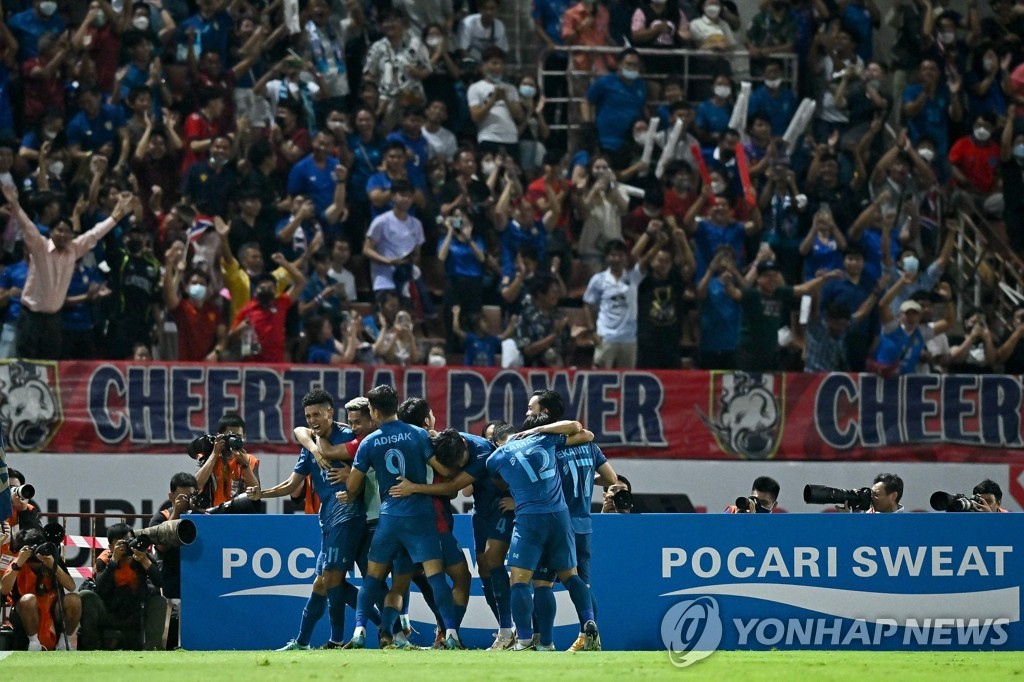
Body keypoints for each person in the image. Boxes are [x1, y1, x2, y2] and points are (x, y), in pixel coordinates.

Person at [338, 384, 462, 650]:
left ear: (372, 410)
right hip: (420, 517)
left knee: (372, 579)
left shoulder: (369, 442)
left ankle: (359, 630)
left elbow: (353, 487)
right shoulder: (419, 435)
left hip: (390, 518)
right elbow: (443, 469)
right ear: (396, 405)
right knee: (436, 578)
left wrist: (348, 492)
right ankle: (451, 633)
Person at [247, 389, 367, 650]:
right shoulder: (310, 443)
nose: (313, 420)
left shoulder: (349, 437)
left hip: (348, 514)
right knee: (322, 582)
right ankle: (303, 642)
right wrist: (262, 493)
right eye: (308, 415)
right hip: (328, 518)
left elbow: (370, 468)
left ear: (330, 413)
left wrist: (353, 475)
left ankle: (337, 640)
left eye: (317, 414)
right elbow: (293, 485)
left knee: (331, 580)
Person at [485, 414, 600, 651]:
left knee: (519, 581)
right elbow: (579, 429)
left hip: (529, 519)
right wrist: (541, 431)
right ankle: (588, 621)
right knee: (570, 576)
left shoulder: (496, 456)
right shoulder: (543, 439)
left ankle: (526, 640)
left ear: (497, 442)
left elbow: (498, 479)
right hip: (560, 517)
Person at [3, 185, 133, 360]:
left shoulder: (74, 249)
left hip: (54, 319)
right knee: (26, 364)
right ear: (51, 232)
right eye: (59, 230)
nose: (63, 235)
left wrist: (116, 217)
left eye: (67, 232)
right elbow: (27, 226)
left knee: (50, 365)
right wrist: (15, 204)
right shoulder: (40, 246)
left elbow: (96, 233)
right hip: (31, 317)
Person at [532, 425, 618, 651]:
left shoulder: (552, 449)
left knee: (542, 584)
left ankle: (544, 642)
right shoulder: (590, 446)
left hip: (558, 523)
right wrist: (588, 478)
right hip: (584, 525)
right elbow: (612, 478)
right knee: (582, 584)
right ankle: (587, 633)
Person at [78, 524, 166, 651]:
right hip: (109, 612)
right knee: (86, 595)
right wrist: (114, 561)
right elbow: (100, 590)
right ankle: (92, 648)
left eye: (128, 542)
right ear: (111, 547)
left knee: (159, 602)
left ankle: (152, 648)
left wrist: (145, 561)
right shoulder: (105, 561)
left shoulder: (141, 558)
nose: (126, 547)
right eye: (121, 544)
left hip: (135, 611)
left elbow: (160, 582)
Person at [1, 526, 81, 651]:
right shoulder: (18, 561)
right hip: (26, 611)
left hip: (53, 608)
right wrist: (18, 564)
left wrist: (54, 566)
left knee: (74, 599)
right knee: (29, 599)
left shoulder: (51, 558)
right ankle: (34, 643)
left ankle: (63, 643)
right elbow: (4, 590)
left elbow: (71, 586)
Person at [148, 472, 198, 649]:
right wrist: (177, 512)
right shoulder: (161, 517)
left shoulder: (201, 516)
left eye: (191, 496)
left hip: (198, 576)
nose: (187, 501)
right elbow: (161, 547)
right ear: (171, 496)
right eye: (182, 497)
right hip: (172, 577)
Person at [583, 240, 642, 369]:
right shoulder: (598, 280)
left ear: (625, 257)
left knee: (627, 382)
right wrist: (592, 331)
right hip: (606, 337)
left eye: (620, 255)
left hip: (629, 338)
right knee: (599, 379)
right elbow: (588, 305)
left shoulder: (633, 277)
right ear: (606, 257)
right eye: (613, 255)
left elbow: (646, 260)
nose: (616, 259)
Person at [193, 413, 260, 510]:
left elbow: (256, 493)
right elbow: (196, 485)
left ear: (244, 436)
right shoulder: (206, 458)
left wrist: (245, 466)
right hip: (211, 514)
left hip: (240, 515)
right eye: (230, 436)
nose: (234, 439)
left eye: (238, 436)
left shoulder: (250, 460)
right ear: (219, 436)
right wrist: (214, 455)